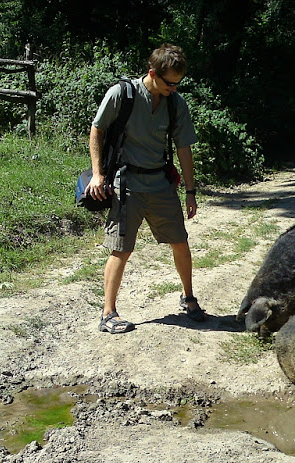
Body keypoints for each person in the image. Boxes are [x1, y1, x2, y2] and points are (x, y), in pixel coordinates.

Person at [86, 43, 205, 333]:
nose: (174, 89)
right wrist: (97, 175)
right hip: (126, 184)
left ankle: (188, 298)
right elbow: (97, 130)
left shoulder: (175, 103)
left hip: (160, 183)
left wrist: (190, 191)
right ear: (153, 73)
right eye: (169, 83)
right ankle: (108, 313)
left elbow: (184, 147)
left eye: (178, 84)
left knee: (180, 241)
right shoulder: (122, 94)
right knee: (121, 249)